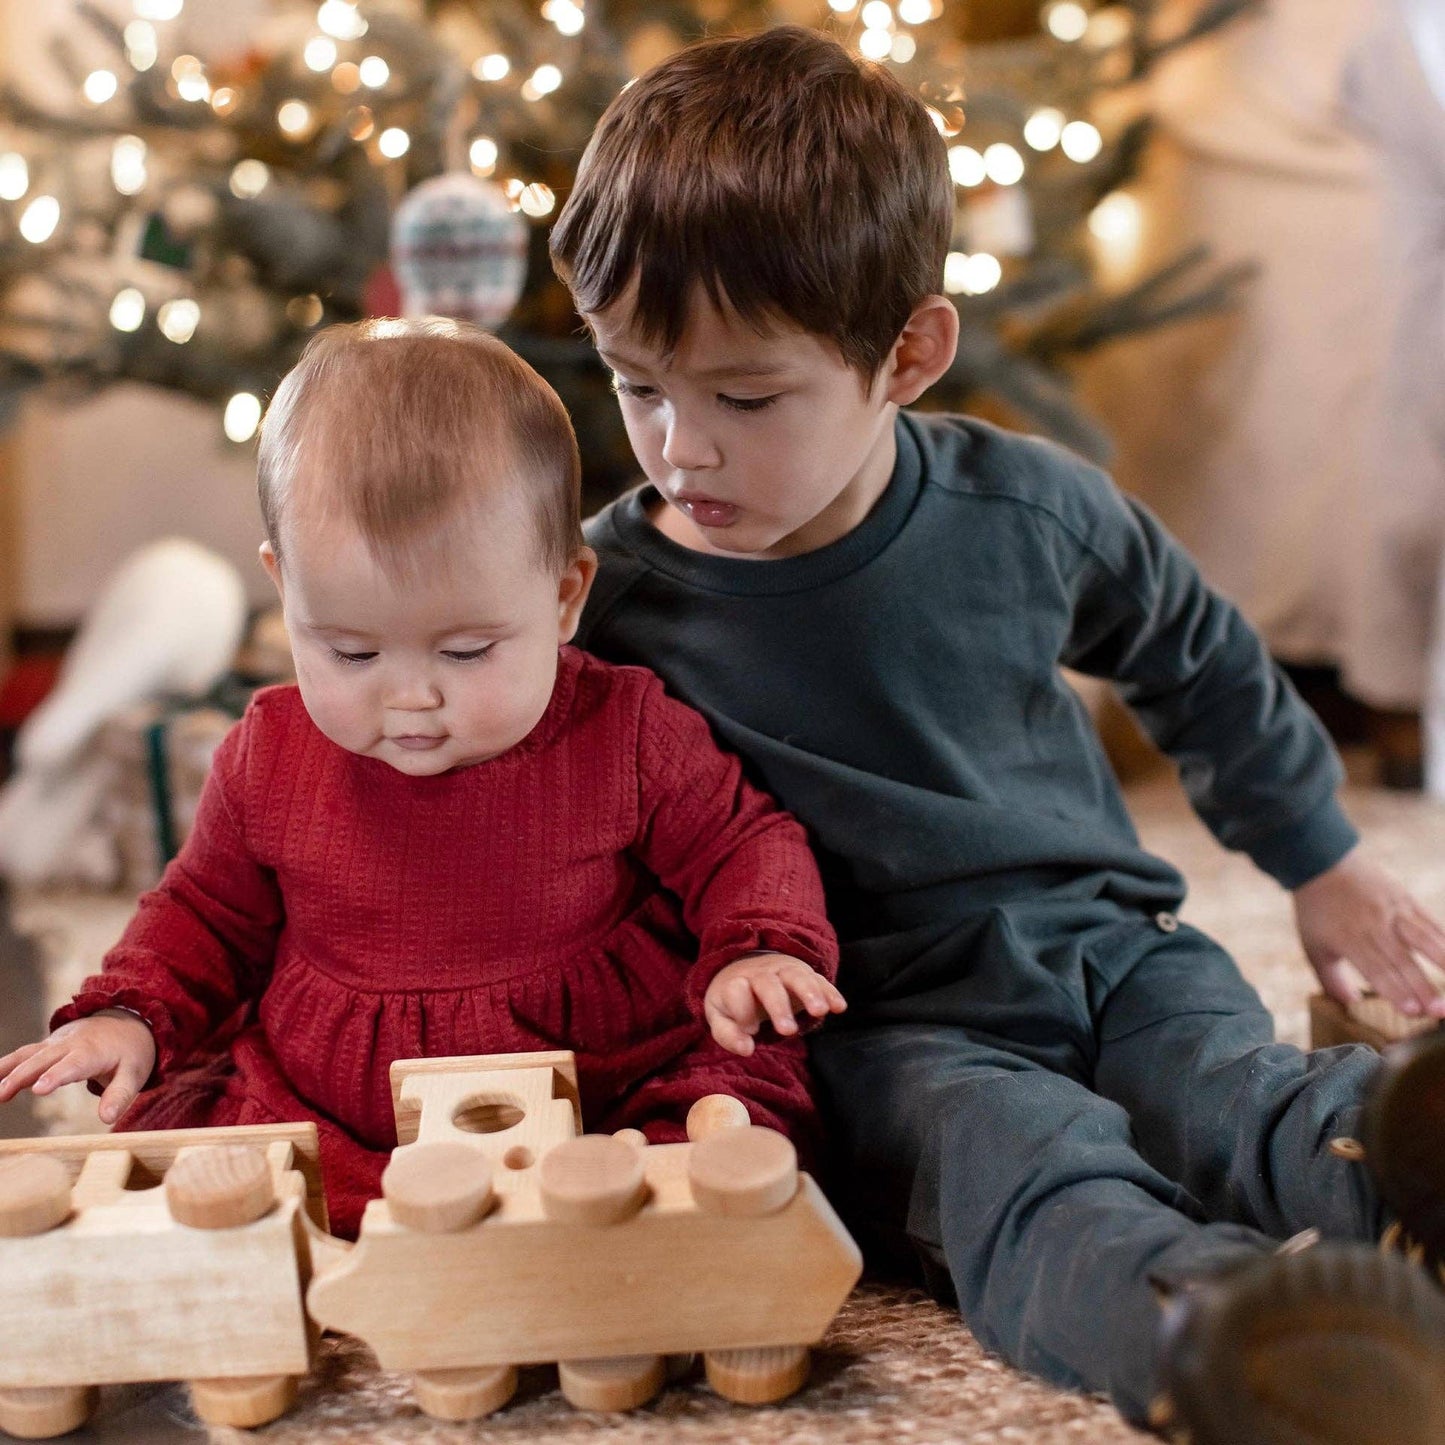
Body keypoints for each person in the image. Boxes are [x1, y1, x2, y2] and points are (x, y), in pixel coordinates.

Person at [549, 25, 1445, 1427]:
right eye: (635, 383)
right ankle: (1221, 1330)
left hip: (1109, 954)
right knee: (1030, 1172)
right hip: (885, 1031)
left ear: (907, 353)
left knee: (1232, 1083)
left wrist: (1321, 860)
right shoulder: (611, 606)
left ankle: (1388, 1179)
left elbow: (1200, 659)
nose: (681, 447)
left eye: (744, 395)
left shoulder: (1027, 509)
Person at [0, 319, 844, 1238]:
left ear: (564, 595)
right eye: (350, 650)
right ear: (284, 592)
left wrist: (758, 947)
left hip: (602, 1078)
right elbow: (204, 913)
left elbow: (741, 840)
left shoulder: (626, 729)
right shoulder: (268, 755)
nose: (410, 699)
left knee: (737, 1095)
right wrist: (131, 1014)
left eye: (468, 649)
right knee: (186, 1139)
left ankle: (628, 1217)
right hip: (337, 1102)